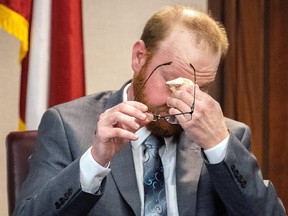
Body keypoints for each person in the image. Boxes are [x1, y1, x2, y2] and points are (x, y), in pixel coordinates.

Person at [13, 5, 286, 216]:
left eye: (199, 89)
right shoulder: (69, 126)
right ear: (139, 56)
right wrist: (94, 162)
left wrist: (219, 147)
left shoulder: (228, 136)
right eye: (172, 82)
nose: (185, 103)